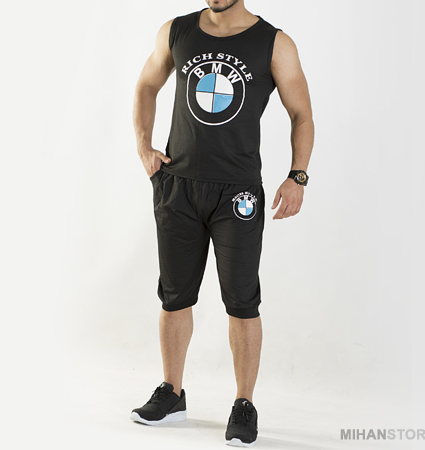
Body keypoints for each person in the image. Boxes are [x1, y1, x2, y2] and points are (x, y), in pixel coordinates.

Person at [130, 0, 314, 446]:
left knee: (242, 301)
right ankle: (172, 393)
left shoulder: (274, 43)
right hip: (178, 186)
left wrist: (297, 176)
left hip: (238, 194)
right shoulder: (176, 31)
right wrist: (144, 146)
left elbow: (302, 115)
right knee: (174, 295)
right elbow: (147, 85)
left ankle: (243, 403)